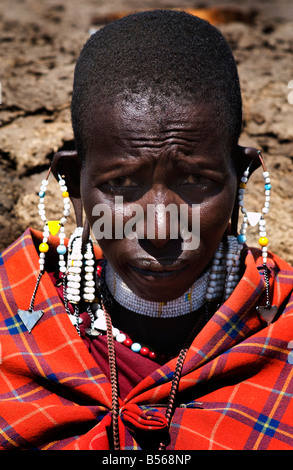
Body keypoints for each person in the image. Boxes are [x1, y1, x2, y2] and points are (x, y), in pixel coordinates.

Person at [0, 9, 292, 451]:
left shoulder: (279, 328)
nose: (159, 229)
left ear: (242, 179)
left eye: (197, 181)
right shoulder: (15, 309)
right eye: (119, 185)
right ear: (74, 185)